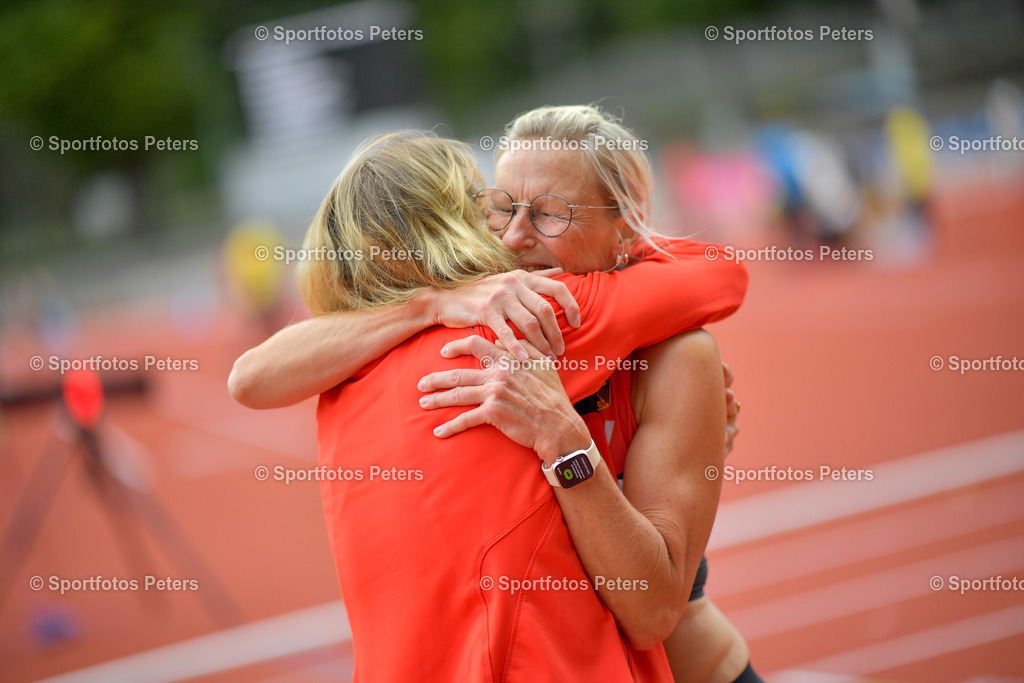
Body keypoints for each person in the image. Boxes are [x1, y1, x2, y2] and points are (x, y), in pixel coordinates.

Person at [229, 107, 759, 681]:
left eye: (551, 214)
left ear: (624, 231)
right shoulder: (473, 330)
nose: (513, 235)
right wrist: (431, 305)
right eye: (499, 208)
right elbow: (251, 377)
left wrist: (588, 446)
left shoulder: (598, 326)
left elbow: (720, 273)